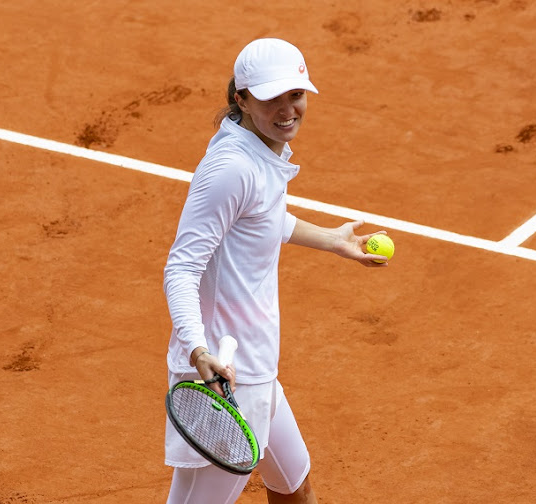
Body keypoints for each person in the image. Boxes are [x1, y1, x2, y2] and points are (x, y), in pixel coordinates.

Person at [163, 38, 389, 504]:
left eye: (296, 95)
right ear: (241, 99)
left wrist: (333, 240)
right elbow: (181, 267)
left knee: (293, 484)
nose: (288, 110)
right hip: (226, 376)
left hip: (256, 365)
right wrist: (197, 350)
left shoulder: (253, 147)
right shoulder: (233, 167)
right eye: (271, 98)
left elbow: (261, 217)